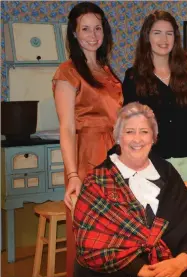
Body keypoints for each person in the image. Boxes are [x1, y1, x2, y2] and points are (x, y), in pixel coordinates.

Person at [73, 102, 187, 277]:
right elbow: (90, 243)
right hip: (118, 270)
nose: (137, 139)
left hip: (170, 261)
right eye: (129, 132)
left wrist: (181, 261)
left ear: (153, 138)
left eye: (144, 132)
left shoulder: (167, 173)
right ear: (118, 137)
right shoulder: (97, 181)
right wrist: (139, 270)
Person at [52, 2, 122, 277]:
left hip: (114, 158)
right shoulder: (67, 72)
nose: (93, 35)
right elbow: (67, 128)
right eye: (85, 29)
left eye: (98, 28)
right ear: (73, 33)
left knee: (115, 236)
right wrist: (72, 176)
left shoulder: (108, 72)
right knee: (91, 238)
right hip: (87, 159)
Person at [123, 11, 187, 182]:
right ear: (147, 37)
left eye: (169, 33)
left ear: (175, 39)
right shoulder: (133, 78)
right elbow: (130, 130)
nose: (164, 39)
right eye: (157, 33)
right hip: (149, 166)